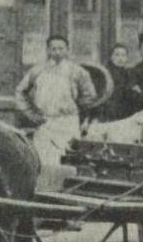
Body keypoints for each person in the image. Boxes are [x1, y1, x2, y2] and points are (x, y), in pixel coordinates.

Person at [14, 33, 96, 167]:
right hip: (45, 124)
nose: (57, 52)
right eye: (53, 49)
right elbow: (20, 92)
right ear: (47, 50)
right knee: (42, 163)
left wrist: (77, 112)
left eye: (61, 48)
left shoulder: (78, 72)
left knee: (67, 163)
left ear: (68, 50)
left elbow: (90, 96)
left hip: (68, 123)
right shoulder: (37, 71)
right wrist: (31, 114)